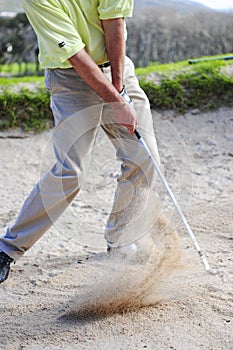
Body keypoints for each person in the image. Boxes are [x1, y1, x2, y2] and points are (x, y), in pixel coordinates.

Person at [0, 0, 160, 284]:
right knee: (69, 173)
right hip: (70, 78)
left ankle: (120, 241)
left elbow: (115, 23)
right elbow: (74, 53)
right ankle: (7, 249)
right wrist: (115, 101)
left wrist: (120, 90)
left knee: (144, 157)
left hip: (116, 67)